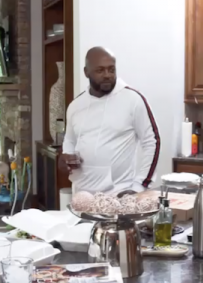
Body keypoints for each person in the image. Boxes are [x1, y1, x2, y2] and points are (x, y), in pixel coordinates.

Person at [59, 47, 160, 196]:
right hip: (82, 194)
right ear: (86, 72)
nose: (107, 75)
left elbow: (152, 142)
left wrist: (140, 185)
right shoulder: (76, 105)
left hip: (120, 193)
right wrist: (65, 157)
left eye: (111, 70)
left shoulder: (133, 100)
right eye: (100, 70)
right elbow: (70, 141)